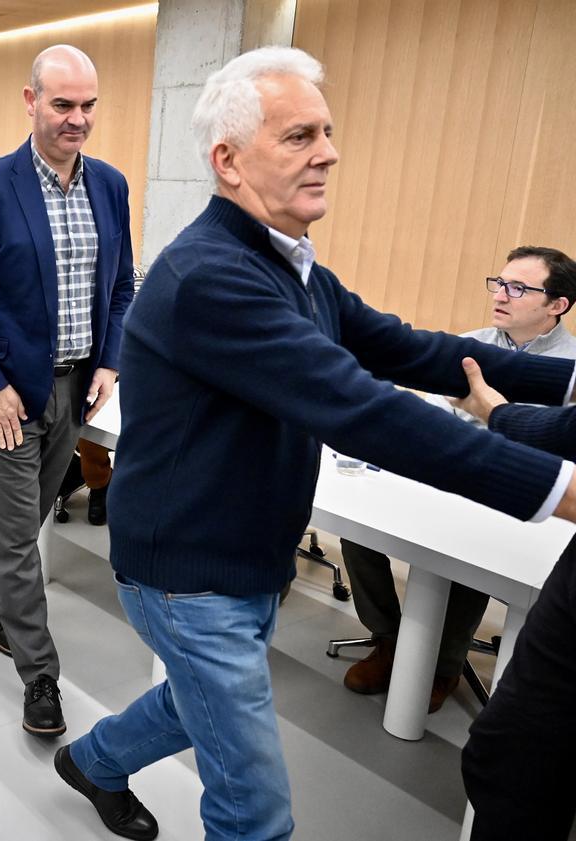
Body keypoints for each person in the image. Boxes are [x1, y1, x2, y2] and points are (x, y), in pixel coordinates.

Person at [54, 46, 576, 841]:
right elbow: (361, 408)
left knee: (193, 700)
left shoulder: (291, 266)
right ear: (227, 161)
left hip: (246, 553)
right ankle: (104, 764)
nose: (328, 151)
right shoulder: (212, 276)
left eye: (327, 131)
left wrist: (563, 384)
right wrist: (558, 490)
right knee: (255, 812)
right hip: (187, 572)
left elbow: (409, 348)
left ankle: (93, 760)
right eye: (300, 136)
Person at [0, 44, 135, 737]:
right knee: (21, 538)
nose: (77, 119)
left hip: (76, 388)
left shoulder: (109, 186)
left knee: (33, 511)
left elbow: (123, 287)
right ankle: (39, 674)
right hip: (10, 395)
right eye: (62, 104)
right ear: (30, 101)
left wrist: (111, 359)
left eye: (88, 106)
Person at [341, 245, 576, 713]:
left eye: (518, 288)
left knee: (475, 554)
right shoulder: (471, 345)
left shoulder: (569, 369)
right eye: (499, 283)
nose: (501, 295)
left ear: (557, 305)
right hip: (452, 475)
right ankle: (387, 638)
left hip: (526, 499)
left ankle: (444, 664)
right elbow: (431, 410)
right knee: (358, 529)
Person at [451, 358, 576, 841]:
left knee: (514, 759)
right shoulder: (480, 348)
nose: (502, 296)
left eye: (520, 288)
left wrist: (497, 415)